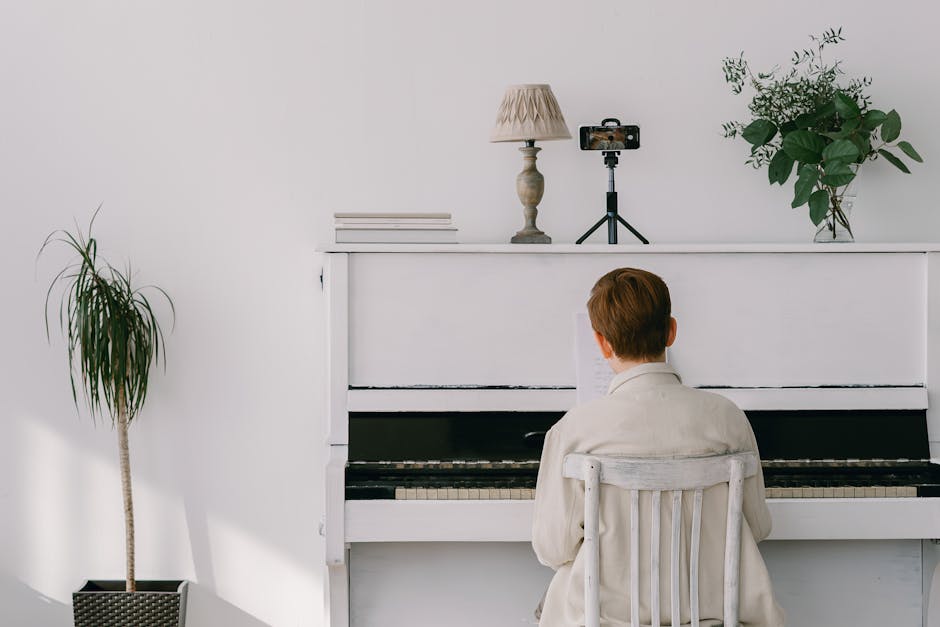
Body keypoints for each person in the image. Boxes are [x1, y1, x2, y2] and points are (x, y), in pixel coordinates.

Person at [532, 267, 784, 626]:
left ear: (602, 342)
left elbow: (551, 548)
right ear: (671, 331)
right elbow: (758, 528)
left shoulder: (573, 430)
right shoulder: (728, 418)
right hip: (714, 616)